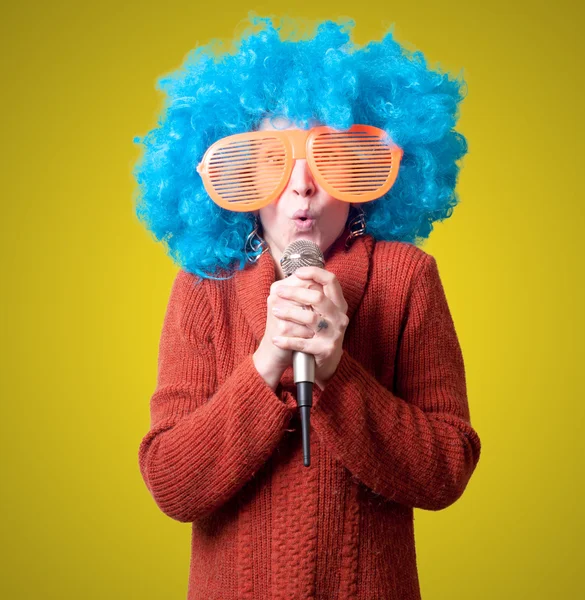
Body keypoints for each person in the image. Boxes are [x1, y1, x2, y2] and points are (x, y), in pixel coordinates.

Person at [133, 14, 482, 600]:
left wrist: (337, 376)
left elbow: (446, 470)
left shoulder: (407, 280)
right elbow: (172, 484)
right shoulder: (203, 287)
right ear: (233, 176)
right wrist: (268, 360)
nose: (303, 186)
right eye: (271, 160)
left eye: (335, 158)